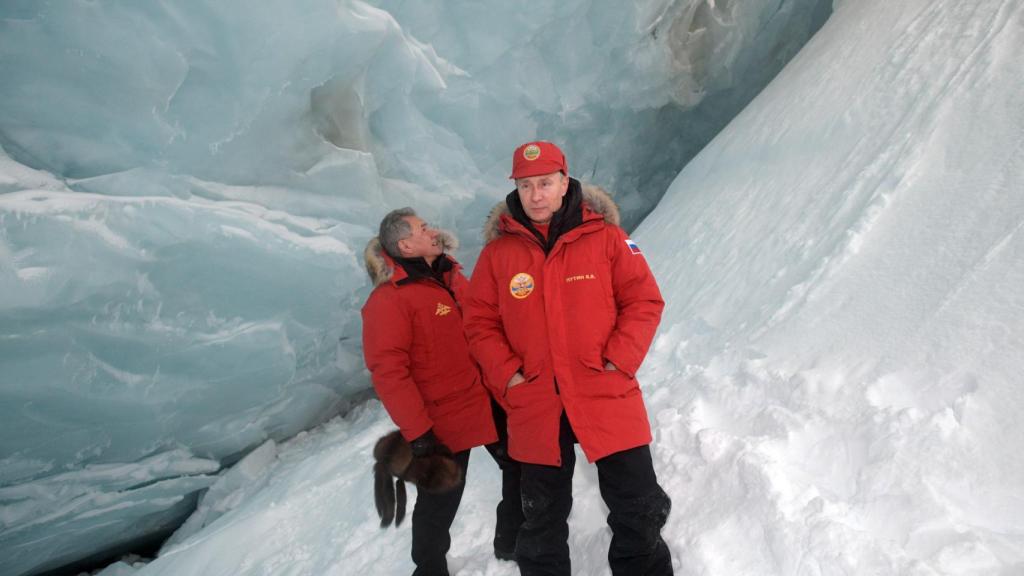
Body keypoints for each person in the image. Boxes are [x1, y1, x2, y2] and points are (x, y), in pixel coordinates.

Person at [464, 141, 673, 576]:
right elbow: (479, 324)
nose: (536, 194)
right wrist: (509, 376)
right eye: (526, 185)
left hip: (604, 390)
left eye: (544, 183)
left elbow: (644, 301)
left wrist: (619, 360)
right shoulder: (498, 256)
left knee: (638, 507)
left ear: (564, 182)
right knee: (540, 522)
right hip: (536, 403)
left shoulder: (609, 240)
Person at [362, 208, 524, 575]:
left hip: (488, 398)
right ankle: (430, 569)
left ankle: (511, 541)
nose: (433, 231)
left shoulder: (451, 276)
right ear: (405, 244)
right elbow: (389, 373)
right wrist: (418, 432)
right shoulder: (389, 300)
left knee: (521, 466)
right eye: (423, 229)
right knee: (441, 497)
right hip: (443, 418)